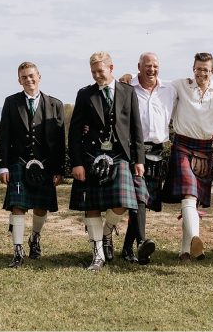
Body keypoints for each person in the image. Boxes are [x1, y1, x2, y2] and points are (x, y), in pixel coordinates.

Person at [69, 51, 145, 271]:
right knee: (91, 206)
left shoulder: (128, 92)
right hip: (91, 156)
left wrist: (138, 159)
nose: (96, 76)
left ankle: (106, 231)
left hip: (120, 155)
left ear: (111, 68)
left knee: (123, 202)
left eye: (100, 71)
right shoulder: (85, 94)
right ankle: (98, 255)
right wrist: (77, 163)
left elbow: (136, 128)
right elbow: (74, 132)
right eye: (93, 72)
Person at [164, 52, 213, 262]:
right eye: (198, 68)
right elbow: (155, 83)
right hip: (182, 145)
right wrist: (128, 78)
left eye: (205, 69)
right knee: (189, 194)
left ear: (212, 71)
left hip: (205, 148)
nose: (201, 73)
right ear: (193, 68)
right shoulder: (181, 85)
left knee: (192, 200)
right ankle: (195, 237)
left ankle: (185, 251)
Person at [0, 62, 66, 268]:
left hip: (45, 164)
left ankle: (35, 237)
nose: (29, 80)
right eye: (24, 77)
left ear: (39, 77)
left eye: (32, 76)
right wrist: (3, 165)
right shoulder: (11, 102)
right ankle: (17, 250)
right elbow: (4, 135)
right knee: (18, 206)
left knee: (41, 207)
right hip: (19, 162)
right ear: (19, 80)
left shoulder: (55, 104)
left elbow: (60, 141)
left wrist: (59, 169)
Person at [116, 52, 176, 265]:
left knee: (144, 200)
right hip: (135, 150)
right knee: (139, 199)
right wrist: (128, 76)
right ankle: (141, 243)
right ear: (139, 67)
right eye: (147, 66)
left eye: (155, 66)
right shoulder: (126, 87)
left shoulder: (170, 89)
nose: (152, 69)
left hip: (158, 151)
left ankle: (126, 249)